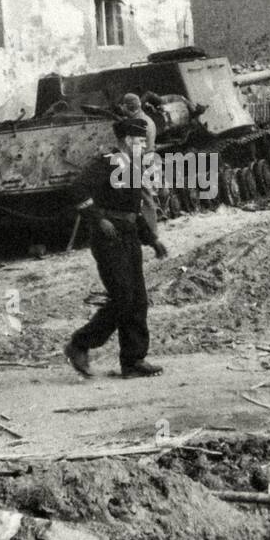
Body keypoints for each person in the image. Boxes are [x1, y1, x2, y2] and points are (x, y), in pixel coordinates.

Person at [64, 116, 168, 379]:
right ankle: (80, 344)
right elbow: (78, 190)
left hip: (129, 236)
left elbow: (133, 211)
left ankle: (133, 362)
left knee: (137, 300)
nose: (145, 145)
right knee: (122, 297)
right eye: (141, 140)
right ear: (128, 140)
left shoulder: (131, 166)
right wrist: (99, 219)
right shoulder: (109, 161)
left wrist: (152, 240)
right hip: (108, 239)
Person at [118, 93, 160, 239]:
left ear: (128, 107)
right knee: (143, 198)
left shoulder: (138, 123)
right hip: (145, 159)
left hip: (139, 163)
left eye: (123, 106)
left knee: (145, 199)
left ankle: (152, 235)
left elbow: (136, 149)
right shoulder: (144, 119)